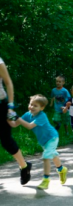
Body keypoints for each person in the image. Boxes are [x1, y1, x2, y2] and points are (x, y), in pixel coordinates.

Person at [8, 94, 68, 190]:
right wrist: (9, 115)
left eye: (35, 106)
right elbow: (14, 124)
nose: (32, 107)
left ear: (42, 108)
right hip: (43, 141)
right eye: (31, 104)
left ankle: (46, 180)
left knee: (46, 156)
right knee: (53, 155)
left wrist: (16, 117)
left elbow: (29, 126)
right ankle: (61, 169)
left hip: (52, 137)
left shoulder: (42, 116)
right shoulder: (28, 114)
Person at [0, 57, 32, 185]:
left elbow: (8, 82)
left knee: (6, 140)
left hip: (1, 105)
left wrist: (10, 107)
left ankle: (24, 166)